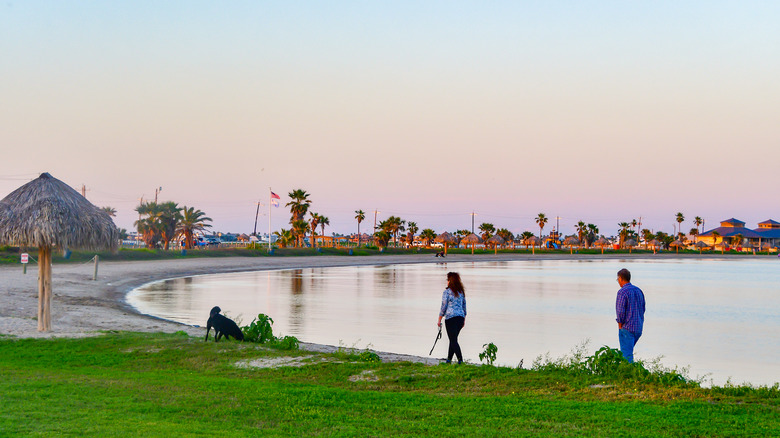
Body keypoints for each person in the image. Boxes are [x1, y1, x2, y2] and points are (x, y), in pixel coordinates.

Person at [615, 268, 646, 363]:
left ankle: (628, 376)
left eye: (618, 279)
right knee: (628, 352)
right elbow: (643, 308)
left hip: (627, 328)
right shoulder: (639, 290)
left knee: (626, 356)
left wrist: (620, 324)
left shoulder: (622, 292)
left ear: (620, 278)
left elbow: (620, 312)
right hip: (638, 328)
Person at [437, 272, 467, 364]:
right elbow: (464, 306)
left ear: (450, 281)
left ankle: (460, 360)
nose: (447, 282)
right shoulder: (461, 292)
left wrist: (439, 319)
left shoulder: (447, 292)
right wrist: (464, 319)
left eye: (448, 280)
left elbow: (444, 306)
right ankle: (449, 359)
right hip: (460, 318)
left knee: (453, 340)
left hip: (450, 318)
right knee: (453, 339)